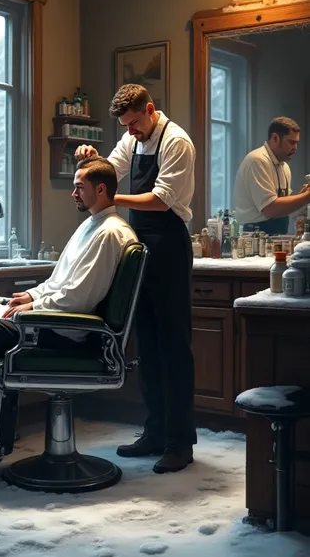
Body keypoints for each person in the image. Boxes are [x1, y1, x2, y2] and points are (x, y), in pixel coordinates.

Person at [0, 156, 137, 448]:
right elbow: (59, 282)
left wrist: (32, 309)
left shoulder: (110, 233)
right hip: (56, 319)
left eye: (79, 187)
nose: (73, 193)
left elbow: (79, 297)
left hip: (72, 333)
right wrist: (32, 295)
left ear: (101, 189)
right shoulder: (90, 226)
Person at [75, 84, 196, 473]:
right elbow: (109, 172)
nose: (130, 132)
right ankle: (155, 432)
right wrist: (93, 160)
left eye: (134, 123)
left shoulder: (177, 142)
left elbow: (161, 200)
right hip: (140, 246)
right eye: (125, 126)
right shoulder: (133, 139)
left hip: (170, 246)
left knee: (174, 348)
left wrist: (111, 197)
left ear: (149, 109)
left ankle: (180, 442)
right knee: (147, 346)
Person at [234, 117, 310, 235]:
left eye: (296, 143)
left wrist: (302, 194)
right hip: (256, 236)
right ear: (275, 138)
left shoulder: (283, 166)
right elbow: (270, 209)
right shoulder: (257, 161)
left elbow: (283, 206)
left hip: (278, 234)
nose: (295, 148)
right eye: (291, 142)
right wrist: (306, 197)